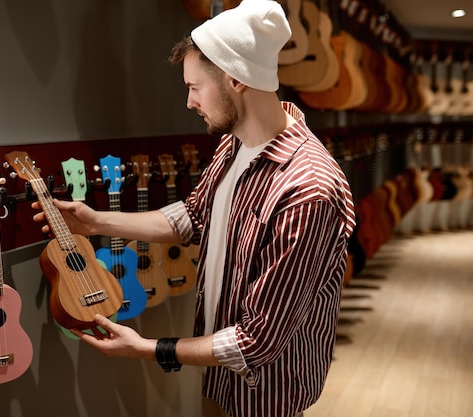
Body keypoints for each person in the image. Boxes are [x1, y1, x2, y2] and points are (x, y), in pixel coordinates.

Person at [32, 0, 355, 416]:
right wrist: (96, 222)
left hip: (267, 391)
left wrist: (150, 349)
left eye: (194, 87)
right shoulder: (235, 139)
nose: (189, 102)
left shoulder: (308, 190)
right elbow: (194, 215)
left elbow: (257, 340)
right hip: (220, 375)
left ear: (236, 80)